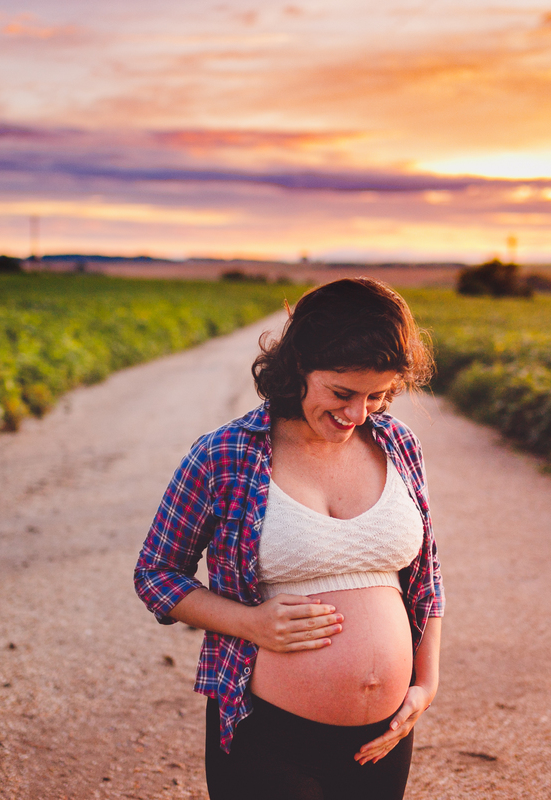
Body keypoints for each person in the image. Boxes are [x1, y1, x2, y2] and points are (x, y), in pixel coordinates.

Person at [134, 277, 444, 800]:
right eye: (343, 393)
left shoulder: (397, 444)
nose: (357, 414)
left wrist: (426, 683)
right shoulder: (224, 455)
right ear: (298, 365)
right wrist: (250, 623)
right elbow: (156, 574)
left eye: (378, 395)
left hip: (384, 738)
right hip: (267, 732)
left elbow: (427, 575)